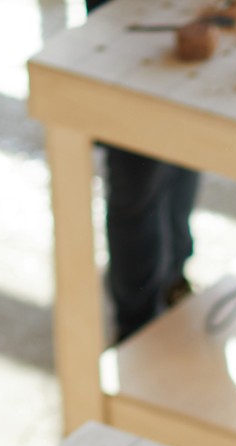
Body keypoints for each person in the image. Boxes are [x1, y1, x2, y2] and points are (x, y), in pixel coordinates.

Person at [90, 0, 202, 341]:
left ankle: (172, 278)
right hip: (128, 21)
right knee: (137, 167)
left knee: (188, 138)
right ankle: (137, 324)